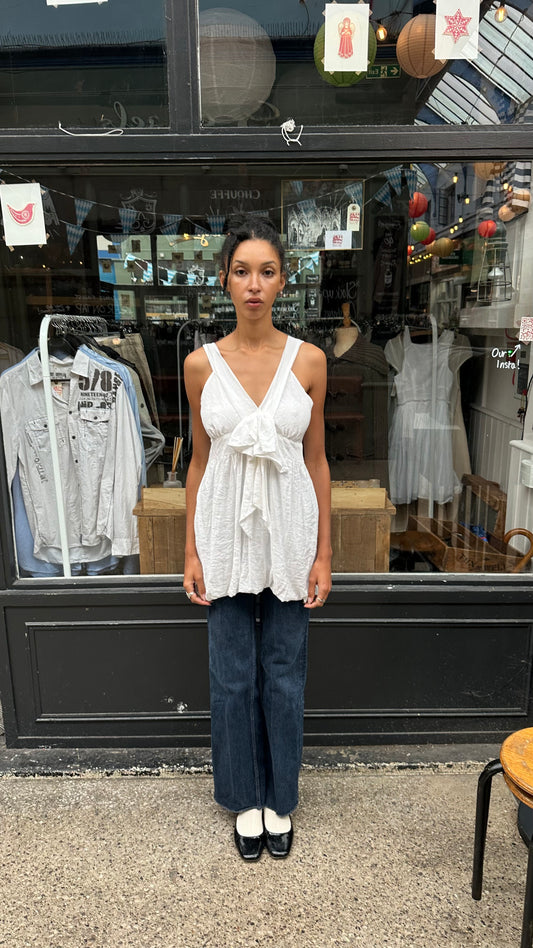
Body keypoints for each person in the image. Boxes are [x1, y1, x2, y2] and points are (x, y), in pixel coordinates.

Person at [183, 214, 331, 861]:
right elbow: (196, 460)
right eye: (241, 270)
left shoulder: (309, 361)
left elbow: (319, 460)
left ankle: (279, 797)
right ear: (224, 279)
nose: (252, 284)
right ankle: (244, 798)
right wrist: (190, 549)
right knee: (231, 677)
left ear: (282, 280)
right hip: (223, 537)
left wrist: (323, 552)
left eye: (265, 271)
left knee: (283, 676)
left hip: (289, 536)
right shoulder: (199, 365)